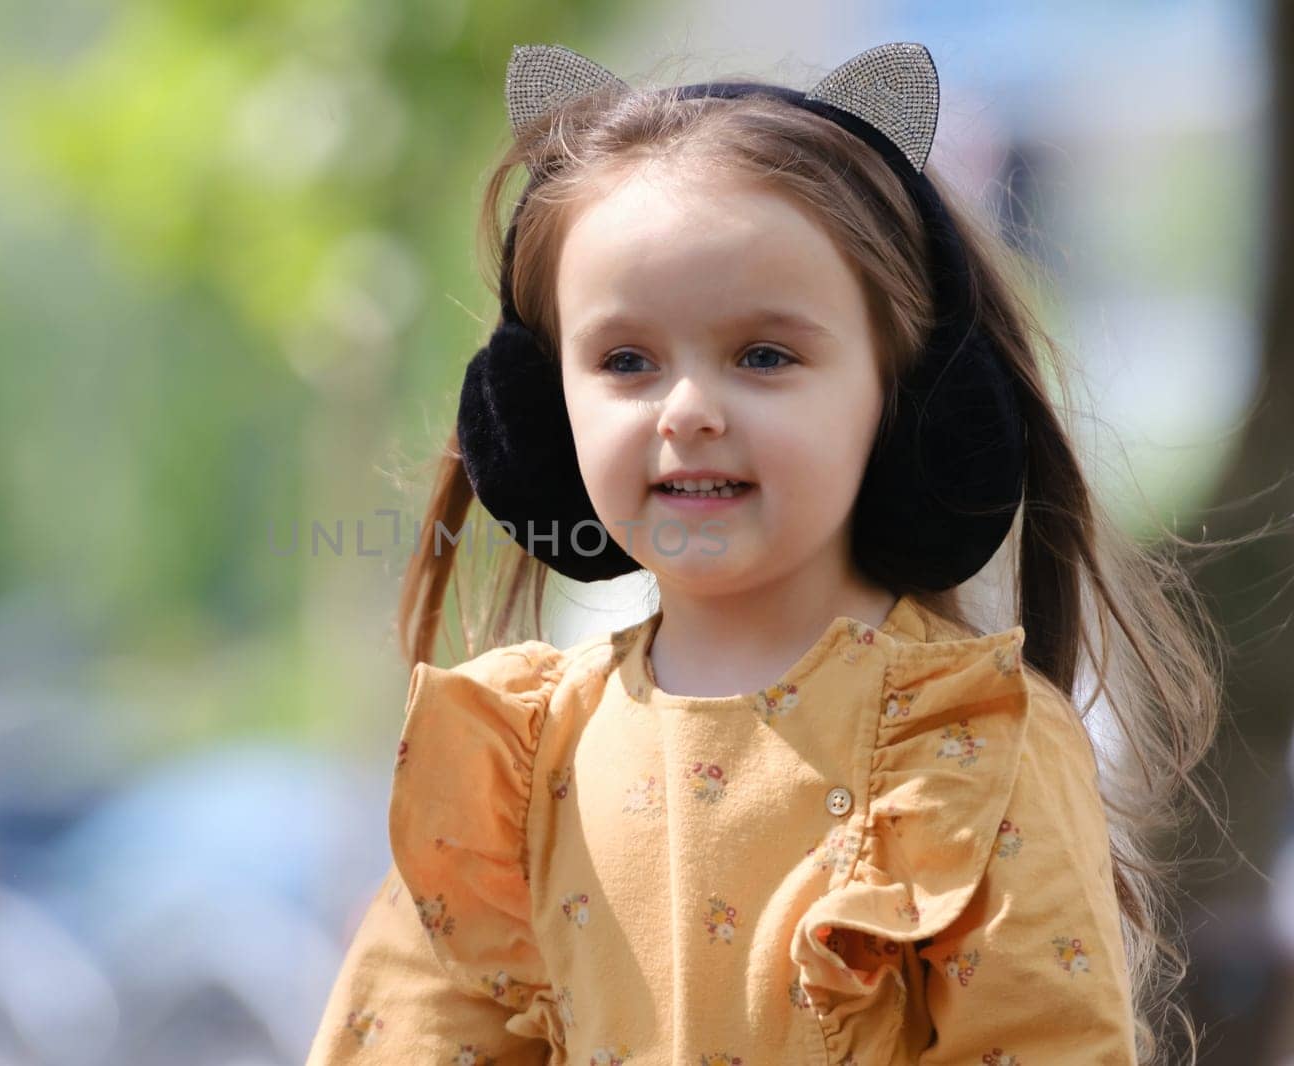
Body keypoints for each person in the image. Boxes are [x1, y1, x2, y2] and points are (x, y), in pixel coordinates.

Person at [306, 41, 1224, 1066]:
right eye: (623, 361)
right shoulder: (509, 767)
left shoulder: (973, 746)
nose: (688, 410)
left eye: (764, 355)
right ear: (539, 409)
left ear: (902, 395)